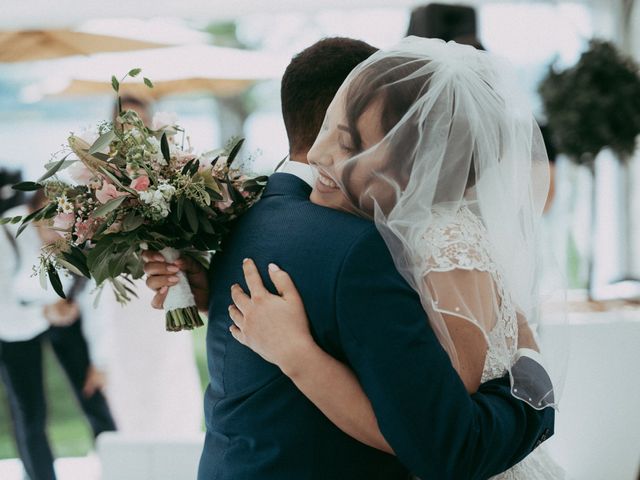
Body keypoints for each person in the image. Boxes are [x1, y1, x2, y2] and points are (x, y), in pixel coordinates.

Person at [144, 37, 555, 479]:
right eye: (333, 131)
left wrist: (534, 389)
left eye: (348, 140)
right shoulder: (356, 235)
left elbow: (433, 434)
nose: (323, 154)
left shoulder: (431, 239)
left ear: (408, 154)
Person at [81, 94, 203, 435]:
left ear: (149, 126)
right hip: (123, 297)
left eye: (137, 122)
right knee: (128, 384)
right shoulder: (95, 179)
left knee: (172, 379)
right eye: (124, 123)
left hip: (163, 288)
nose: (130, 130)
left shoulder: (169, 173)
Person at [0, 190, 116, 480]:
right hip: (16, 324)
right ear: (33, 213)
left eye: (66, 227)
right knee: (30, 411)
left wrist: (100, 362)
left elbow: (96, 302)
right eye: (50, 225)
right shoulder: (6, 235)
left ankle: (119, 468)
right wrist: (43, 315)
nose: (57, 236)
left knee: (93, 394)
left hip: (67, 311)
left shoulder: (83, 238)